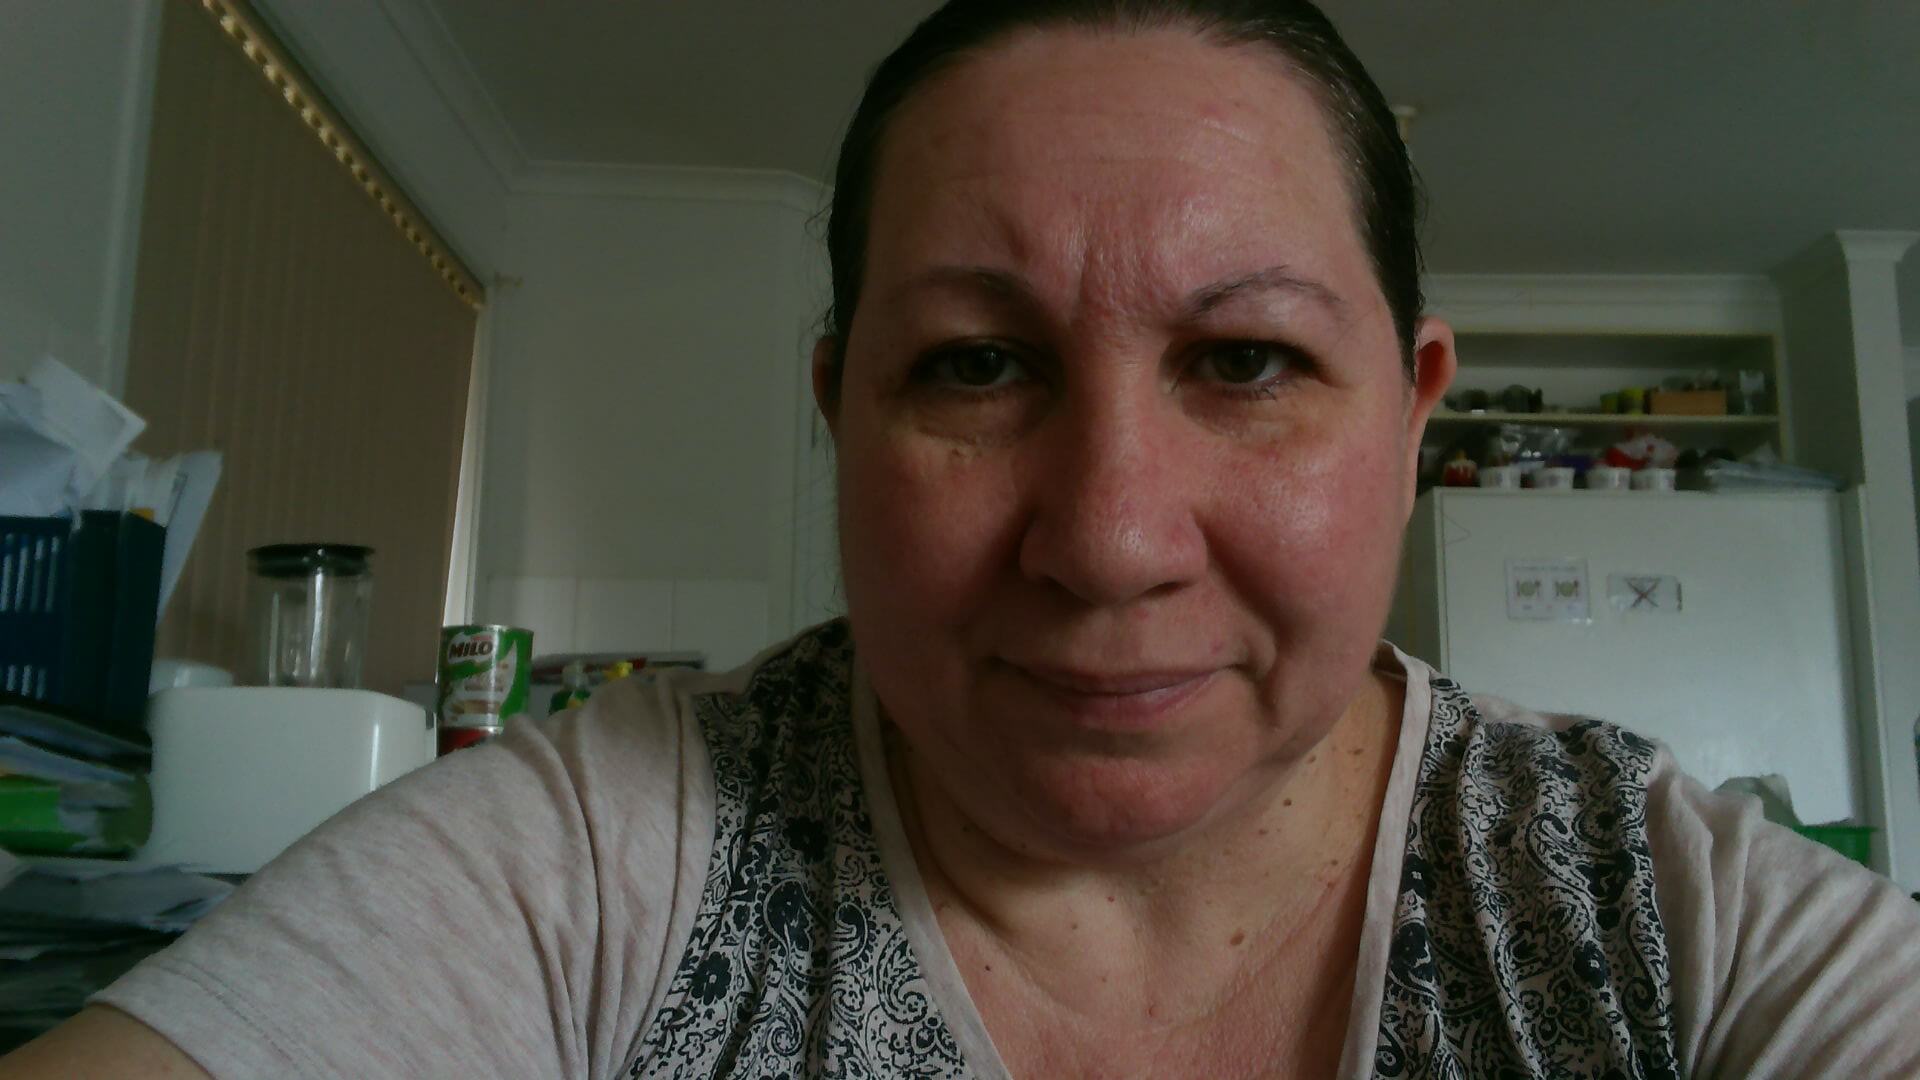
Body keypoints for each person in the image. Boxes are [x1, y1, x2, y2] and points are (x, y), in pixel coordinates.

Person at [7, 1, 1920, 1076]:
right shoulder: (599, 854)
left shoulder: (1668, 911)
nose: (1105, 540)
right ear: (840, 406)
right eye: (980, 364)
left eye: (1246, 359)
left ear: (1413, 415)